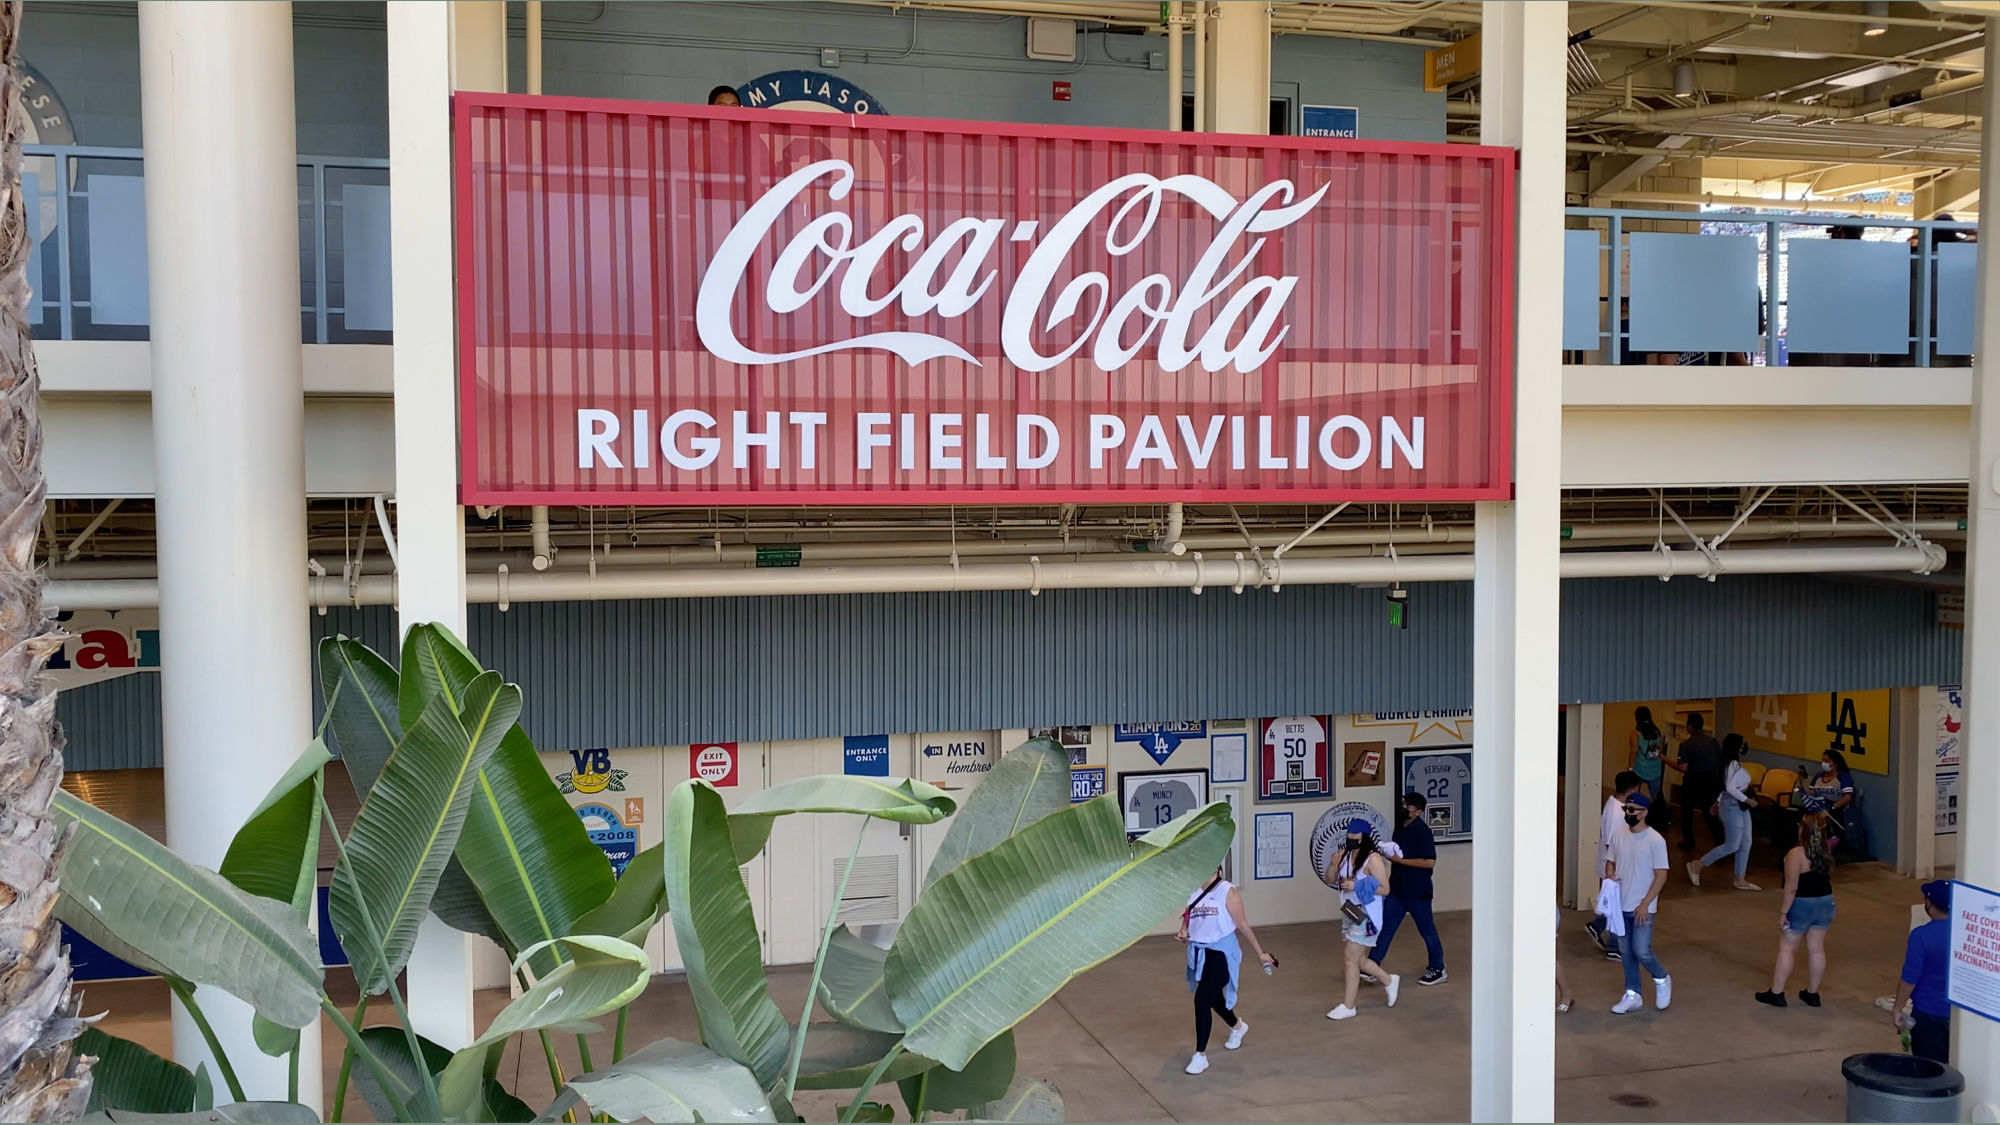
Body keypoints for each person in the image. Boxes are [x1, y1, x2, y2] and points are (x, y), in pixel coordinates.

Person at [1178, 865, 1275, 1075]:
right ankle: (1237, 1026)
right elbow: (1189, 919)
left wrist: (1260, 953)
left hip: (1222, 952)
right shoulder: (1194, 892)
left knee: (1202, 1000)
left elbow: (1242, 925)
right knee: (1213, 999)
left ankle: (1200, 1055)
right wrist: (1184, 931)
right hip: (1200, 952)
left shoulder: (1227, 891)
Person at [1758, 812, 1837, 1007]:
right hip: (1825, 902)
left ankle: (1777, 993)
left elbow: (1791, 887)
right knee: (1817, 949)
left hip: (1802, 905)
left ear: (1802, 829)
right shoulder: (1825, 851)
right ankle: (1812, 993)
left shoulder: (1796, 854)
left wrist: (1783, 913)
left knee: (1787, 948)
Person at [1323, 819, 1398, 1020]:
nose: (1351, 843)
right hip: (1350, 911)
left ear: (1364, 839)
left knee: (1350, 958)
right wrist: (1333, 863)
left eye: (1355, 840)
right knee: (1360, 959)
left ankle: (1349, 1005)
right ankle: (1388, 980)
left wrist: (1357, 886)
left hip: (1367, 916)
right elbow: (1330, 879)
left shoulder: (1373, 859)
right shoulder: (1347, 856)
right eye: (1349, 840)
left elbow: (1385, 889)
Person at [1605, 793, 1673, 1014]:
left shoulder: (1655, 840)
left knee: (1641, 950)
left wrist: (1645, 904)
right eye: (1626, 809)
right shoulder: (1619, 834)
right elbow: (1610, 861)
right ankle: (1632, 994)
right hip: (1620, 904)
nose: (1628, 813)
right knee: (1626, 953)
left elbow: (1661, 875)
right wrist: (1610, 878)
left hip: (1642, 907)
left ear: (1644, 812)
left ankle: (1661, 977)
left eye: (1632, 810)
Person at [1376, 791, 1447, 986]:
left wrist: (1401, 861)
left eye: (1410, 806)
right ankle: (1372, 965)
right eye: (1405, 803)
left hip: (1418, 892)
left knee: (1427, 930)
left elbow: (1429, 862)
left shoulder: (1422, 831)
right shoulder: (1399, 828)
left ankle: (1438, 968)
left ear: (1419, 812)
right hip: (1397, 890)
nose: (1405, 807)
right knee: (1386, 928)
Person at [1687, 733, 1760, 891]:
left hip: (1736, 805)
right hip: (1734, 806)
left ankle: (1740, 878)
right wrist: (1748, 800)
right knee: (1732, 844)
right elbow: (1730, 788)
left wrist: (1718, 801)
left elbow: (1725, 788)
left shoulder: (1731, 764)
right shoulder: (1732, 764)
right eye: (1741, 744)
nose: (1744, 746)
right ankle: (1698, 864)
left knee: (1746, 842)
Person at [1895, 881, 1954, 1063]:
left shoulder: (1921, 936)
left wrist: (1898, 1007)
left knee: (1929, 1069)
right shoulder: (1966, 934)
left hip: (1928, 1013)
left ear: (1929, 904)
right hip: (1959, 1016)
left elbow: (1910, 976)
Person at [1588, 771, 1646, 958]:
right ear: (1631, 789)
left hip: (1615, 865)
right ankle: (1614, 946)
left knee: (1616, 904)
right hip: (1615, 867)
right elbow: (1612, 844)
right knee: (1618, 906)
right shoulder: (1615, 812)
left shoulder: (1616, 805)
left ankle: (1598, 927)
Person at [1676, 713, 1725, 852]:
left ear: (1689, 727)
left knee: (1687, 812)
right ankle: (1720, 841)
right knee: (1710, 813)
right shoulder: (1713, 742)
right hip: (1711, 780)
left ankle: (1689, 842)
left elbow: (1683, 767)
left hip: (1692, 781)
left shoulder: (1686, 744)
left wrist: (1665, 760)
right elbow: (1719, 762)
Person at [1800, 748, 1857, 844]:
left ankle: (1830, 841)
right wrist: (1802, 782)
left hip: (1836, 807)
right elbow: (1812, 792)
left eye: (1827, 761)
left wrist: (1832, 807)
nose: (1824, 763)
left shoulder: (1843, 777)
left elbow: (1847, 797)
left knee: (1831, 816)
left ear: (1835, 763)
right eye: (1822, 761)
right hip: (1819, 804)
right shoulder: (1818, 776)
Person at [1629, 706, 1667, 805]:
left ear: (1636, 718)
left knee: (1634, 793)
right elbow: (1659, 749)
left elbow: (1634, 751)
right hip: (1655, 769)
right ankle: (1655, 816)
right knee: (1655, 797)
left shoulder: (1635, 733)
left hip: (1639, 769)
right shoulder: (1657, 732)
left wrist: (1630, 769)